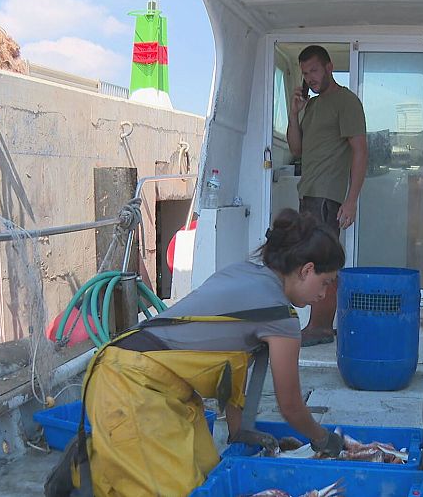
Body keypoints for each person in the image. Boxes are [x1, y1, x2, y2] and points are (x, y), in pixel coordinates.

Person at [82, 209, 347, 496]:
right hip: (131, 385)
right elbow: (291, 406)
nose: (323, 294)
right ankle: (82, 477)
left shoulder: (244, 272)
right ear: (306, 270)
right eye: (325, 283)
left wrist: (238, 429)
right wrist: (323, 440)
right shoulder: (281, 317)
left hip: (152, 379)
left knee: (210, 476)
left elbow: (233, 359)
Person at [287, 44, 368, 347]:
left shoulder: (345, 101)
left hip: (327, 198)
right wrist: (294, 113)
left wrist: (352, 199)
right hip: (308, 195)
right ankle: (316, 326)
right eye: (305, 73)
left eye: (315, 71)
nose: (310, 78)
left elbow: (360, 151)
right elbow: (297, 149)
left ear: (329, 67)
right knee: (312, 261)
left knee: (321, 264)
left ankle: (319, 328)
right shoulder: (311, 106)